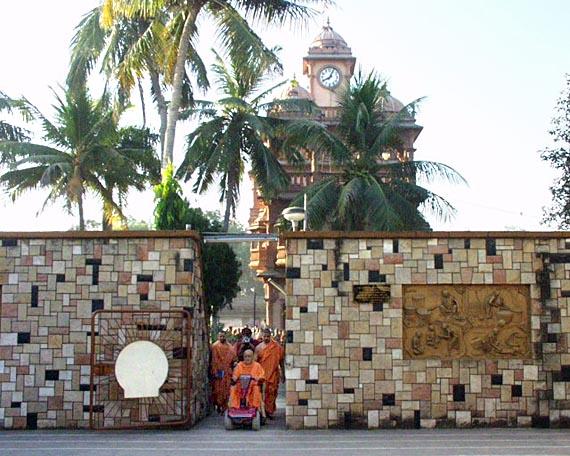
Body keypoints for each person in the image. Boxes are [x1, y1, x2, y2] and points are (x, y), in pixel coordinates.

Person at [255, 328, 285, 418]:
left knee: (272, 394)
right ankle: (264, 411)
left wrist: (283, 374)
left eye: (268, 336)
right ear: (262, 336)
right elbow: (255, 363)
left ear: (270, 336)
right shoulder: (258, 347)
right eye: (264, 336)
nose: (266, 338)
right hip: (262, 375)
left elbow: (281, 361)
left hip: (273, 375)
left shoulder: (277, 347)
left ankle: (269, 411)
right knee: (263, 394)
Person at [210, 331, 237, 414]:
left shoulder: (230, 347)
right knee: (217, 390)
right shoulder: (214, 346)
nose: (222, 338)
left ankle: (225, 407)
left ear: (226, 337)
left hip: (227, 372)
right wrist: (214, 371)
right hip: (217, 371)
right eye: (220, 336)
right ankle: (218, 405)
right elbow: (213, 360)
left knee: (226, 390)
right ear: (218, 337)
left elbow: (234, 359)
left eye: (223, 336)